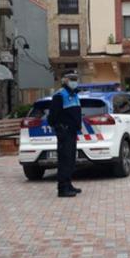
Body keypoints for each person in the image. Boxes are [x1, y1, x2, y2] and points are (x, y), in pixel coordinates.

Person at [48, 70, 83, 198]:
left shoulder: (75, 95)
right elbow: (52, 117)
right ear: (65, 80)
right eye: (71, 78)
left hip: (72, 132)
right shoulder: (60, 95)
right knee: (64, 160)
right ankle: (62, 188)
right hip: (64, 132)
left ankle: (68, 184)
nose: (74, 81)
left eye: (76, 78)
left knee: (71, 160)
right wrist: (60, 128)